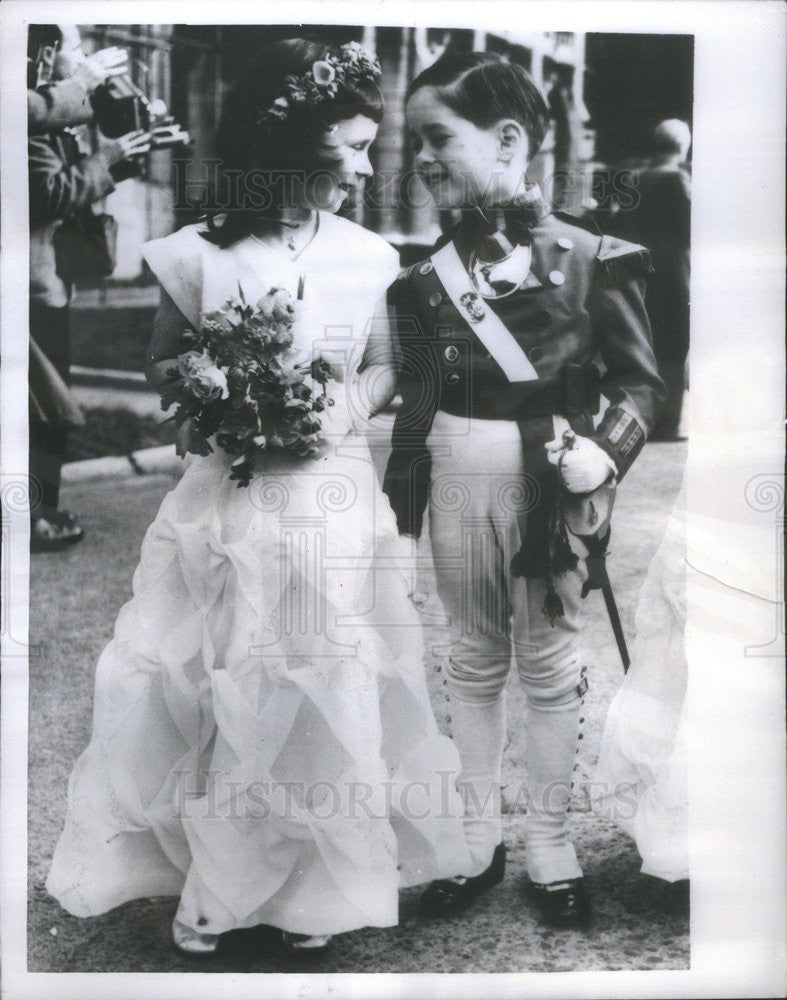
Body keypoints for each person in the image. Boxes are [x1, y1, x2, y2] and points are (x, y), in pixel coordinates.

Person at [46, 38, 471, 958]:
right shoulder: (199, 254)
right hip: (233, 498)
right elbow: (165, 359)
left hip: (329, 494)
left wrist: (339, 408)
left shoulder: (366, 255)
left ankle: (317, 884)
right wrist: (216, 401)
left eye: (369, 147)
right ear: (289, 146)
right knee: (224, 680)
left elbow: (388, 363)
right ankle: (217, 882)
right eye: (351, 147)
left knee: (321, 677)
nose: (366, 168)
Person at [383, 52, 665, 929]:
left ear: (507, 140)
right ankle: (473, 837)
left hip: (556, 477)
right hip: (457, 476)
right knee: (469, 656)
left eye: (437, 138)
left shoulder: (592, 257)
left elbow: (642, 383)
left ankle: (549, 840)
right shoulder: (422, 280)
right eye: (415, 141)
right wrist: (398, 520)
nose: (418, 159)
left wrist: (606, 455)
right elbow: (418, 401)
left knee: (547, 660)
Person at [28, 24, 151, 551]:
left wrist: (117, 160)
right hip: (31, 288)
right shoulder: (29, 124)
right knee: (43, 412)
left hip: (48, 281)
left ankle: (43, 509)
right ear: (48, 54)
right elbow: (47, 195)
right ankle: (34, 515)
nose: (82, 57)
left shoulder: (49, 122)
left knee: (49, 410)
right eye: (74, 48)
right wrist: (107, 161)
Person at [613, 120, 691, 440]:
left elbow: (619, 224)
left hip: (642, 275)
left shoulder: (635, 179)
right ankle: (668, 421)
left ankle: (646, 415)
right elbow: (692, 229)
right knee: (673, 348)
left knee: (648, 345)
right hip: (675, 277)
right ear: (684, 146)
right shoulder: (679, 181)